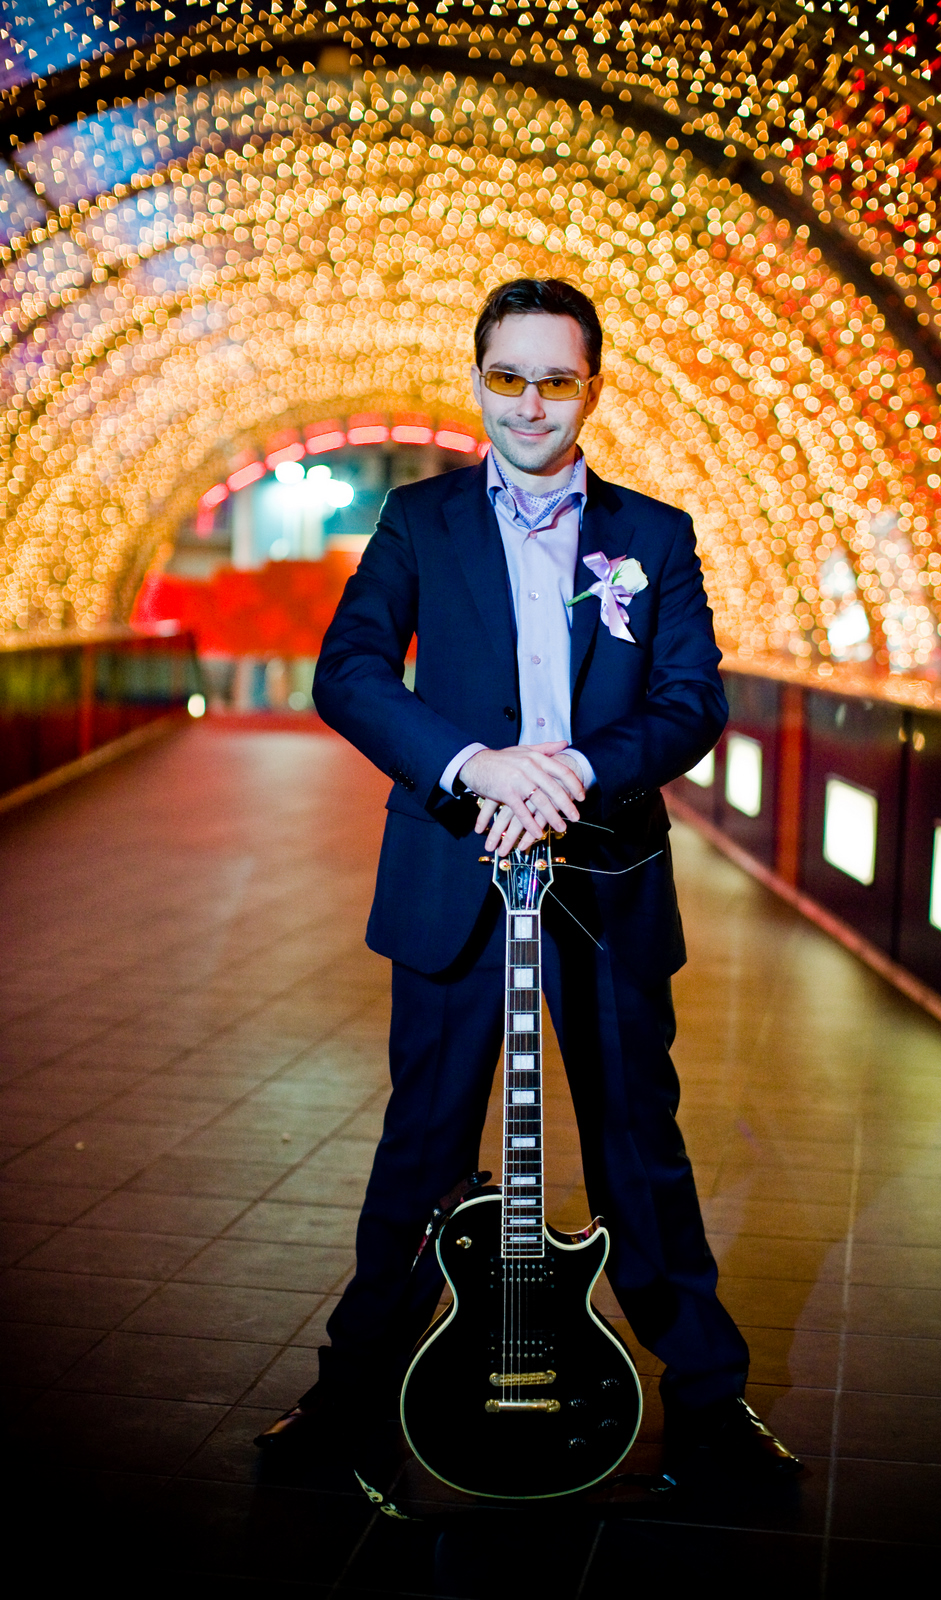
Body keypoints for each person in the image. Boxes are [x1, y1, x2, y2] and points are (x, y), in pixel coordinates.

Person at [255, 277, 799, 1490]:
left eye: (556, 379)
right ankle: (352, 1399)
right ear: (476, 381)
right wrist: (475, 765)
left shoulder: (654, 533)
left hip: (604, 875)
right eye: (508, 377)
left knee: (636, 1145)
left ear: (591, 388)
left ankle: (706, 1407)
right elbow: (348, 672)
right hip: (453, 873)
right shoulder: (419, 519)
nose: (530, 404)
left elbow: (690, 701)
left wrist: (572, 774)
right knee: (420, 1148)